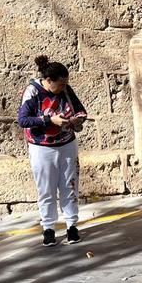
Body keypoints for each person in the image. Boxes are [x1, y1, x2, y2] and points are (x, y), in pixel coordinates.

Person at [18, 55, 88, 246]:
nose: (64, 87)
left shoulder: (65, 89)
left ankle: (72, 225)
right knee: (46, 189)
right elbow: (23, 120)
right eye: (61, 84)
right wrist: (50, 120)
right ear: (49, 81)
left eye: (66, 83)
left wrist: (76, 120)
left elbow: (80, 110)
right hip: (42, 147)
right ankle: (48, 228)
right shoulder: (33, 91)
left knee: (70, 185)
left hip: (66, 144)